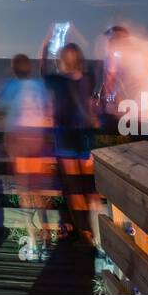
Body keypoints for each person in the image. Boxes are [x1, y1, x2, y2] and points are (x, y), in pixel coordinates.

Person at [0, 53, 52, 261]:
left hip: (19, 140)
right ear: (30, 69)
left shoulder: (10, 86)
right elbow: (48, 109)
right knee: (36, 191)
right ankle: (46, 234)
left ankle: (33, 241)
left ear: (14, 69)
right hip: (37, 140)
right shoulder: (39, 86)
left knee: (23, 192)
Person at [43, 42, 99, 243]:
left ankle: (85, 232)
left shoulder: (57, 81)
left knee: (75, 189)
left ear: (61, 61)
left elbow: (43, 72)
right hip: (84, 137)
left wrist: (45, 46)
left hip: (65, 137)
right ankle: (98, 231)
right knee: (89, 187)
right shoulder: (88, 79)